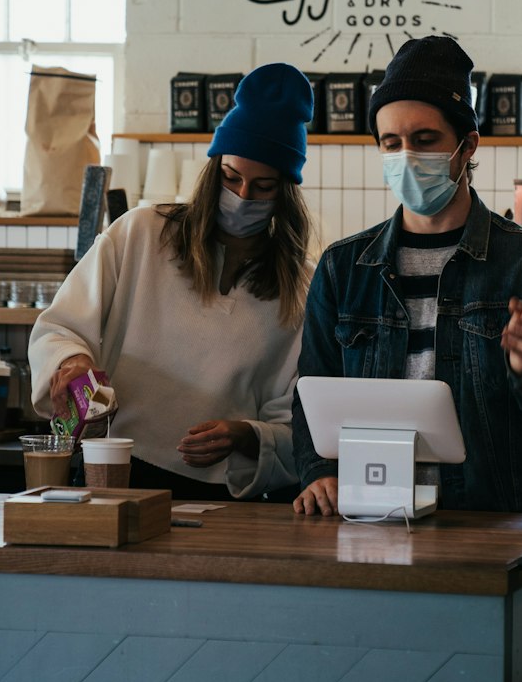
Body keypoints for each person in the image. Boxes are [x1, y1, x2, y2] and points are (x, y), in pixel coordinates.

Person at [292, 36, 522, 515]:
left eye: (424, 140)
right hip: (369, 515)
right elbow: (310, 395)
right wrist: (318, 472)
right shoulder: (343, 269)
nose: (406, 156)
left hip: (488, 521)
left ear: (467, 146)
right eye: (392, 143)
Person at [29, 63, 314, 500]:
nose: (242, 197)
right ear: (213, 169)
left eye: (263, 187)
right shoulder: (142, 234)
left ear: (285, 193)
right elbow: (60, 327)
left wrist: (245, 434)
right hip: (114, 468)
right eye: (231, 177)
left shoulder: (298, 289)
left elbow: (293, 418)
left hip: (218, 493)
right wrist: (73, 362)